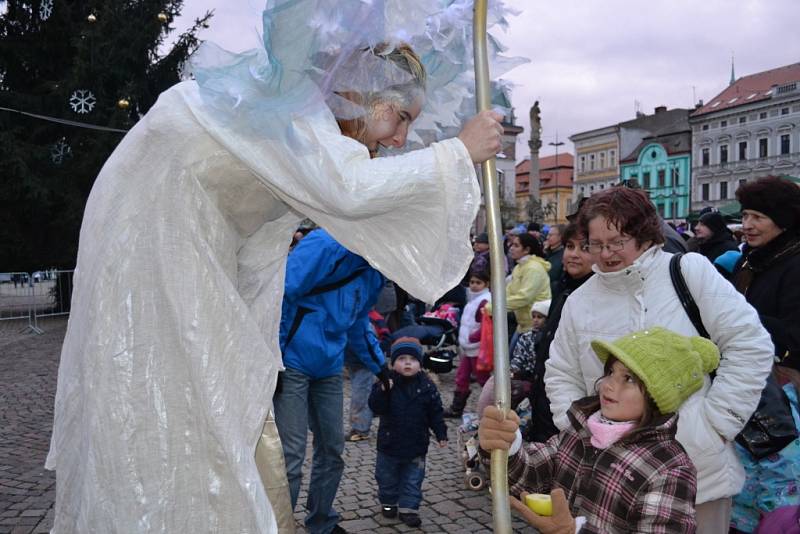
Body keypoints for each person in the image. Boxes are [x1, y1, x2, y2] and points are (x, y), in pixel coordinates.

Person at [45, 4, 508, 529]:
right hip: (156, 233)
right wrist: (459, 152)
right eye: (401, 116)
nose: (401, 138)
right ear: (360, 94)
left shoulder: (293, 110)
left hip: (176, 233)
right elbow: (351, 192)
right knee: (173, 389)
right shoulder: (295, 111)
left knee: (205, 394)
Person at [544, 187, 774, 534]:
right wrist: (580, 433)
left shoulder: (687, 271)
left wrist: (716, 423)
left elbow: (749, 343)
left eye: (617, 241)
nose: (606, 254)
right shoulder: (580, 301)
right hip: (611, 477)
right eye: (596, 243)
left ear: (644, 235)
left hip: (696, 470)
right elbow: (561, 373)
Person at [481, 327, 720, 533]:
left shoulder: (670, 469)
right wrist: (507, 446)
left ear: (658, 396)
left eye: (628, 379)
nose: (608, 384)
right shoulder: (584, 429)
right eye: (610, 372)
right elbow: (534, 473)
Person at [275, 229, 389, 533]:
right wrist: (274, 357)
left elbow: (358, 321)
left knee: (332, 449)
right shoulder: (325, 244)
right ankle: (278, 526)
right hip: (293, 361)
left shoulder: (374, 270)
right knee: (292, 455)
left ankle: (321, 522)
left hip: (328, 367)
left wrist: (379, 365)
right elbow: (281, 296)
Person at [729, 176, 800, 533]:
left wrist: (739, 315)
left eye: (758, 216)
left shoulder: (795, 262)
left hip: (784, 392)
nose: (748, 225)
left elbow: (794, 333)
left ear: (783, 219)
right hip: (746, 381)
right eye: (745, 215)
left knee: (776, 482)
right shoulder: (750, 261)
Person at [368, 338, 447, 528]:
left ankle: (408, 508)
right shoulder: (387, 383)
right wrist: (383, 390)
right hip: (389, 444)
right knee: (386, 477)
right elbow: (375, 406)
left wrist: (441, 433)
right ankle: (388, 502)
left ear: (420, 364)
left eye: (412, 359)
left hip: (417, 445)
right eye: (402, 358)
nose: (408, 362)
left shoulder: (428, 386)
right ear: (393, 363)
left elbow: (435, 413)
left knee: (413, 479)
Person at [527, 222, 595, 443]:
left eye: (584, 248)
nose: (573, 255)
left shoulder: (593, 296)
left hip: (567, 414)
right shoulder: (563, 288)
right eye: (570, 246)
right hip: (545, 401)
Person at [475, 299, 550, 418]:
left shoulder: (552, 340)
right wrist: (513, 371)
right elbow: (518, 357)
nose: (535, 320)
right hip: (526, 376)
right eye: (534, 316)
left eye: (540, 317)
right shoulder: (526, 337)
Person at [444, 270, 491, 418]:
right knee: (462, 377)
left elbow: (485, 325)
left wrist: (472, 337)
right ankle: (457, 407)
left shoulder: (485, 301)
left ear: (486, 284)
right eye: (472, 282)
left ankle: (493, 405)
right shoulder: (473, 299)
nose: (474, 286)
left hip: (477, 348)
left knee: (483, 379)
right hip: (469, 348)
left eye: (478, 283)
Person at [503, 232, 551, 347]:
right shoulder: (519, 267)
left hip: (534, 326)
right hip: (522, 325)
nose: (511, 248)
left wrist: (496, 307)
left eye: (516, 245)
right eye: (512, 245)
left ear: (526, 250)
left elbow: (524, 297)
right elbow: (509, 292)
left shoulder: (533, 269)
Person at [544, 224, 564, 297]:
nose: (547, 237)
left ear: (560, 237)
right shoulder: (548, 252)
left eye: (550, 235)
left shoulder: (563, 256)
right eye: (548, 235)